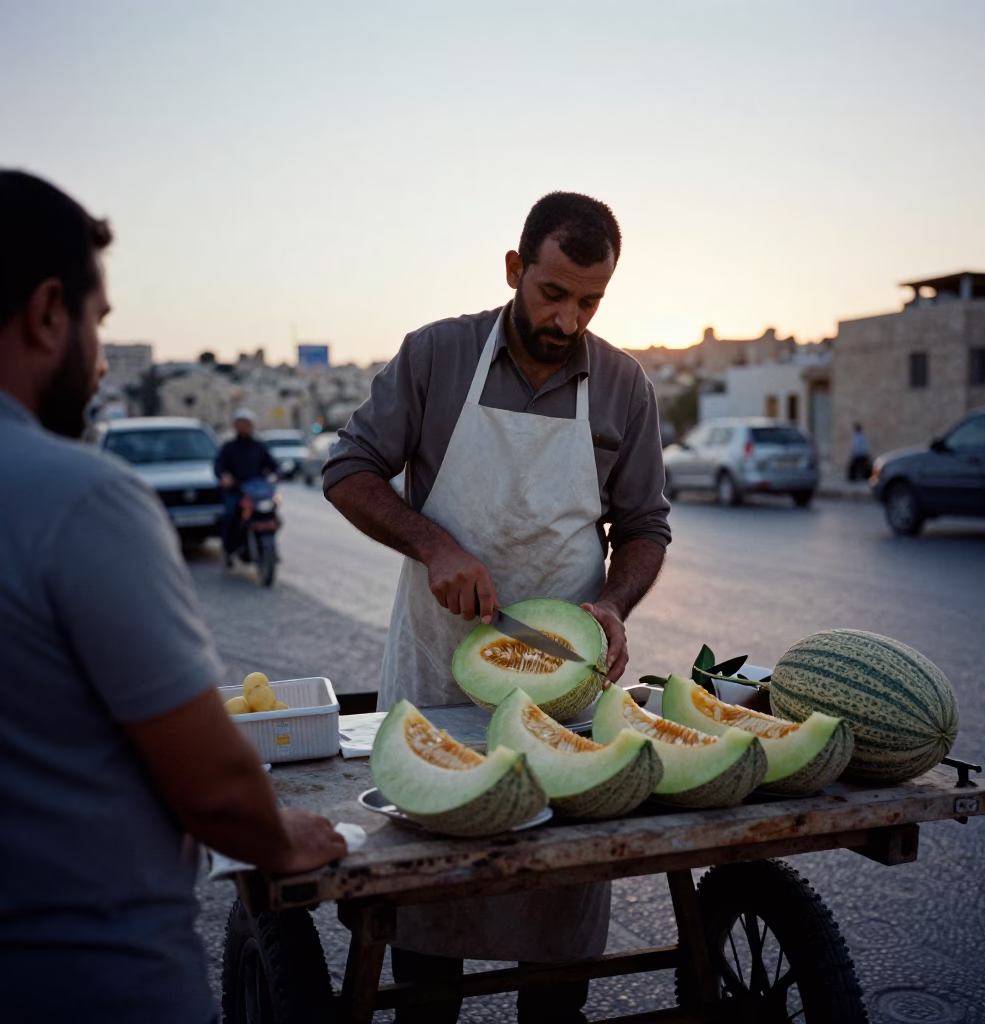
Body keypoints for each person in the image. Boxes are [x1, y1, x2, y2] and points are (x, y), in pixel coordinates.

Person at [0, 170, 348, 1024]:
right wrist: (282, 836)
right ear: (50, 312)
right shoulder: (81, 497)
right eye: (97, 322)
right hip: (91, 983)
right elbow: (216, 788)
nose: (94, 350)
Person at [324, 192, 671, 1023]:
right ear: (515, 270)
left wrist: (616, 602)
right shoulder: (437, 355)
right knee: (429, 950)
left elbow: (645, 526)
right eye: (552, 293)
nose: (567, 318)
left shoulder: (624, 385)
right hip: (440, 680)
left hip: (568, 696)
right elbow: (349, 472)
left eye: (590, 301)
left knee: (556, 949)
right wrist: (434, 545)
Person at [215, 408, 277, 563]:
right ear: (235, 426)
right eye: (241, 424)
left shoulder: (259, 446)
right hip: (236, 491)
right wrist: (224, 477)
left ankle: (267, 548)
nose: (244, 427)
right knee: (230, 517)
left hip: (257, 492)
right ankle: (229, 549)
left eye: (247, 424)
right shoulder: (229, 447)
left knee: (272, 515)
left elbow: (272, 465)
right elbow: (219, 466)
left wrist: (278, 474)